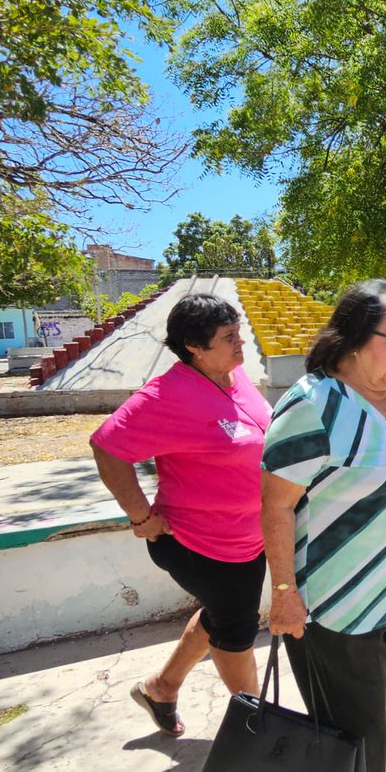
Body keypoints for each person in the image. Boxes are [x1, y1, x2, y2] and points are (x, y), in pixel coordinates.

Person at [262, 279, 386, 772]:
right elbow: (276, 505)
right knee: (366, 727)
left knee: (358, 719)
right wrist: (283, 592)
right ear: (357, 339)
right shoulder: (314, 403)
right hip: (333, 601)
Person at [91, 293, 271, 736]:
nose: (240, 343)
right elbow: (106, 447)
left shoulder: (234, 375)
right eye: (229, 337)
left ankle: (161, 688)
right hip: (199, 544)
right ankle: (254, 728)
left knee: (222, 613)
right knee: (236, 629)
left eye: (238, 332)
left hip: (248, 537)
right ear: (194, 345)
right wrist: (140, 517)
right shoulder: (166, 395)